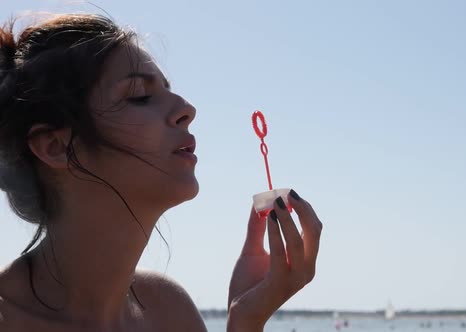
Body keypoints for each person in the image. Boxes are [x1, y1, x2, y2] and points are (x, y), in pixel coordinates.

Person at [0, 13, 323, 331]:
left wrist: (245, 322)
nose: (187, 109)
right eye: (140, 96)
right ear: (56, 147)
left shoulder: (170, 309)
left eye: (169, 90)